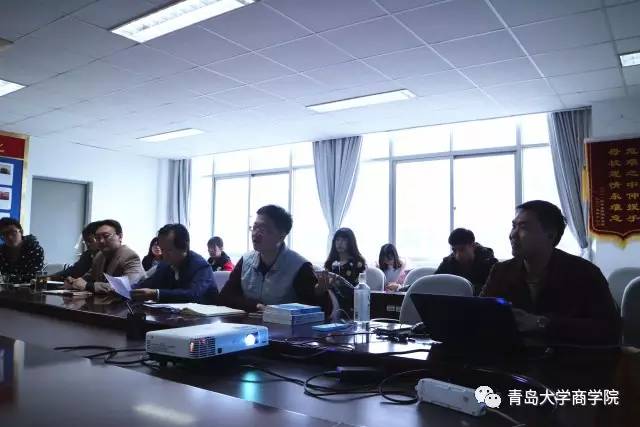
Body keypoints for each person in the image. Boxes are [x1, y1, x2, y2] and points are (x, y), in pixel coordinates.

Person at [480, 200, 621, 345]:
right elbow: (480, 315)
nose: (513, 235)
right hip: (512, 355)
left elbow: (610, 330)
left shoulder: (585, 273)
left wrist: (543, 323)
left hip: (568, 356)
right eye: (514, 226)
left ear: (550, 235)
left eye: (523, 227)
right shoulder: (501, 271)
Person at [219, 205, 324, 312]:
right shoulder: (246, 260)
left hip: (283, 322)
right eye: (254, 227)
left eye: (262, 229)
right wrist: (255, 306)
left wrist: (320, 294)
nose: (255, 233)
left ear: (282, 235)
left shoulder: (299, 266)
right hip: (249, 321)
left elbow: (317, 310)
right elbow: (225, 297)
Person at [131, 224, 217, 303]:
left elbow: (192, 294)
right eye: (162, 250)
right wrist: (129, 290)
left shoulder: (201, 267)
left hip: (204, 314)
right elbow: (149, 284)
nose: (164, 256)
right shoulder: (164, 265)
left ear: (184, 247)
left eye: (169, 250)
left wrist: (156, 294)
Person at [64, 219, 145, 293]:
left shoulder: (130, 256)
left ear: (120, 237)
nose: (101, 241)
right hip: (106, 301)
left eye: (106, 236)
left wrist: (88, 285)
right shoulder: (100, 256)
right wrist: (74, 282)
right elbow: (90, 276)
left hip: (129, 303)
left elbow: (126, 286)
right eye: (97, 238)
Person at [433, 228, 498, 295]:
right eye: (454, 250)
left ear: (473, 246)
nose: (458, 255)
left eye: (462, 249)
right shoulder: (448, 263)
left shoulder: (490, 264)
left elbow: (495, 290)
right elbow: (434, 284)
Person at [0, 217, 44, 283]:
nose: (9, 237)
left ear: (21, 231)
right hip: (5, 288)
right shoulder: (1, 251)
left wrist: (7, 278)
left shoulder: (34, 249)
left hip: (28, 288)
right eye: (4, 234)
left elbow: (34, 276)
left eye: (13, 232)